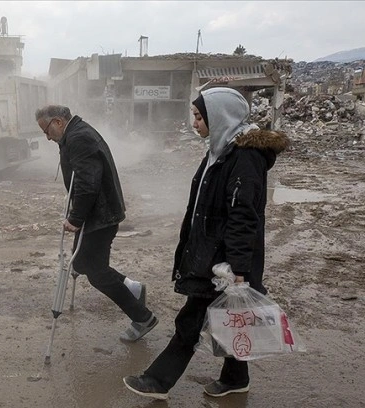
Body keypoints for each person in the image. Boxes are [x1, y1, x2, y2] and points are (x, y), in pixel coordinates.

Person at [122, 87, 290, 400]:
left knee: (192, 319)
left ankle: (158, 381)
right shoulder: (222, 149)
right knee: (228, 317)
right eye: (194, 116)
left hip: (224, 261)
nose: (194, 123)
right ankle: (236, 378)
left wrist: (238, 268)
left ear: (220, 116)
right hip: (214, 254)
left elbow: (243, 214)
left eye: (200, 117)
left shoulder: (245, 157)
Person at [35, 105, 158, 342]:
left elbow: (88, 182)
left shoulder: (79, 138)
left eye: (47, 130)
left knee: (96, 272)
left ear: (58, 122)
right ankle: (134, 288)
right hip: (98, 212)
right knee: (80, 263)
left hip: (100, 216)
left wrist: (75, 218)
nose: (47, 137)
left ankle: (143, 318)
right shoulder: (75, 133)